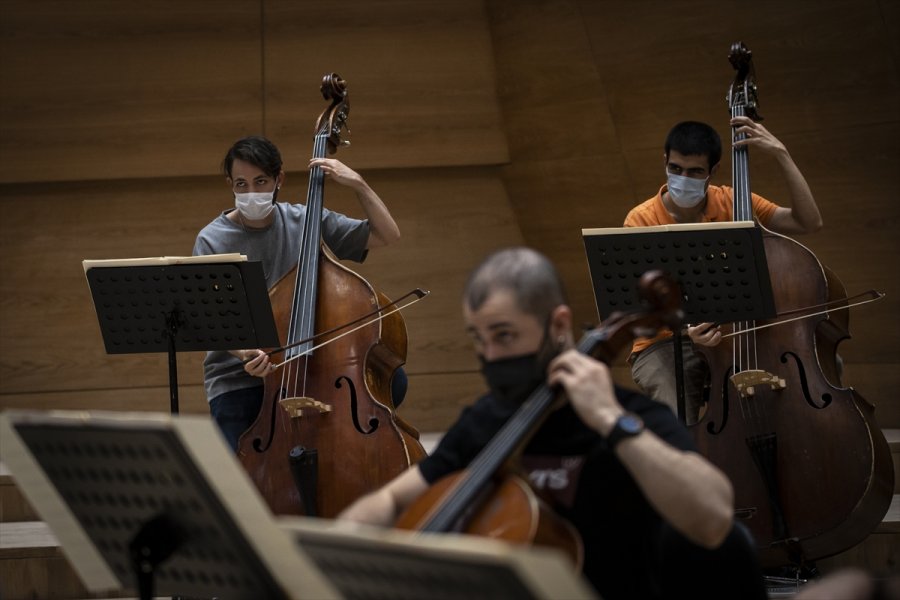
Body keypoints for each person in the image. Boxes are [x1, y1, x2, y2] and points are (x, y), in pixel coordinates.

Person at [338, 247, 767, 600]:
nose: (490, 355)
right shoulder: (487, 419)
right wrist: (338, 549)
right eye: (479, 339)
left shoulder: (631, 417)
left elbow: (713, 520)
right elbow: (392, 501)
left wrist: (610, 421)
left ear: (558, 324)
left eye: (504, 336)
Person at [193, 135, 403, 451]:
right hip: (240, 377)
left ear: (279, 179)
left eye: (260, 181)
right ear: (230, 184)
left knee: (391, 382)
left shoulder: (305, 220)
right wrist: (245, 353)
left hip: (310, 367)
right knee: (240, 481)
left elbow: (386, 234)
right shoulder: (211, 241)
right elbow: (210, 319)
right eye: (241, 184)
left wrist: (359, 184)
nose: (251, 193)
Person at [623, 119, 824, 424]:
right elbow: (640, 310)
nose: (683, 178)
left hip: (733, 330)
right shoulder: (640, 219)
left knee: (820, 362)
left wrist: (782, 154)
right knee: (673, 405)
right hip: (667, 340)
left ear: (712, 171)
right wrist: (686, 332)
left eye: (695, 172)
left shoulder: (733, 200)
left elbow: (807, 222)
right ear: (664, 161)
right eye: (676, 168)